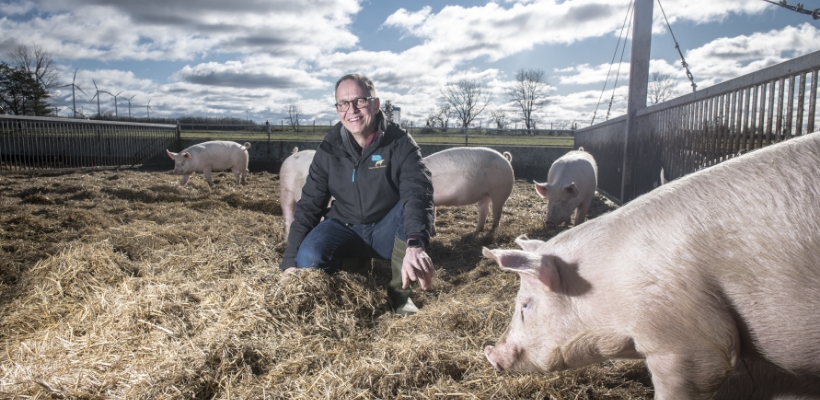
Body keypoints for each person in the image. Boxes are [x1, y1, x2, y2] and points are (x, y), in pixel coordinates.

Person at [279, 73, 435, 315]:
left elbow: (418, 191)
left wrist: (415, 244)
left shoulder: (400, 143)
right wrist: (289, 263)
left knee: (409, 208)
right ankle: (350, 275)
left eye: (360, 101)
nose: (351, 110)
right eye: (343, 103)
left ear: (375, 104)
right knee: (308, 256)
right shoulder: (329, 149)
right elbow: (309, 205)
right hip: (344, 225)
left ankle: (399, 294)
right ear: (337, 108)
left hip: (386, 229)